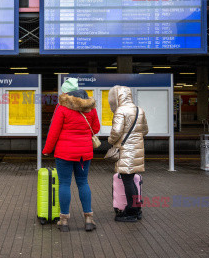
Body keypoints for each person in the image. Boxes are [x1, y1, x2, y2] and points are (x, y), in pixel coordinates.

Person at [42, 78, 100, 232]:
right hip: (84, 153)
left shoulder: (62, 107)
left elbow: (53, 132)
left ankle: (64, 221)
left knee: (64, 184)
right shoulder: (90, 107)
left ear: (66, 91)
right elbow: (96, 128)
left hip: (64, 153)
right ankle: (88, 219)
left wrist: (47, 149)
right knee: (83, 183)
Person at [108, 85, 149, 222]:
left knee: (128, 181)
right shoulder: (139, 110)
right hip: (137, 149)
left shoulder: (120, 111)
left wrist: (110, 140)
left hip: (126, 151)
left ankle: (131, 212)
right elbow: (145, 130)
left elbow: (116, 132)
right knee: (130, 180)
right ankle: (137, 209)